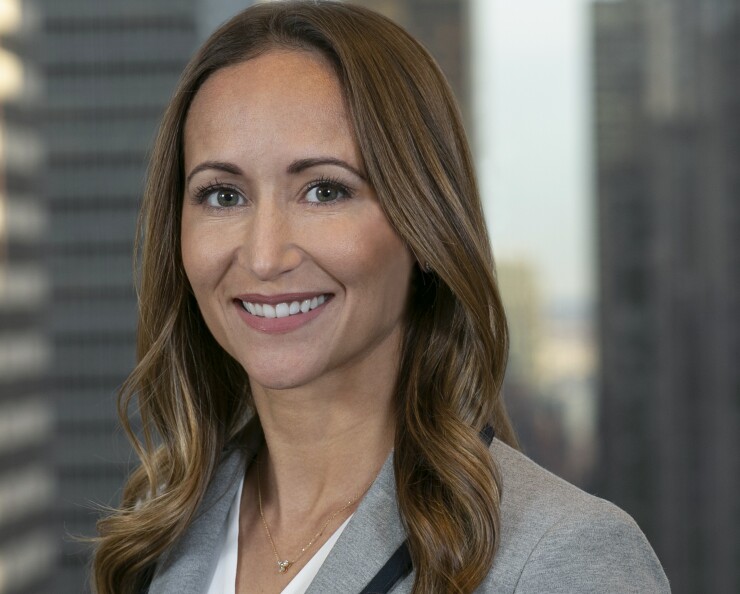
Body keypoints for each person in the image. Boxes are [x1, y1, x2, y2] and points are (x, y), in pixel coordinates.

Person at [93, 2, 670, 593]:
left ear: (424, 224)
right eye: (223, 196)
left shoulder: (560, 556)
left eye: (324, 190)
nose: (264, 256)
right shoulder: (159, 535)